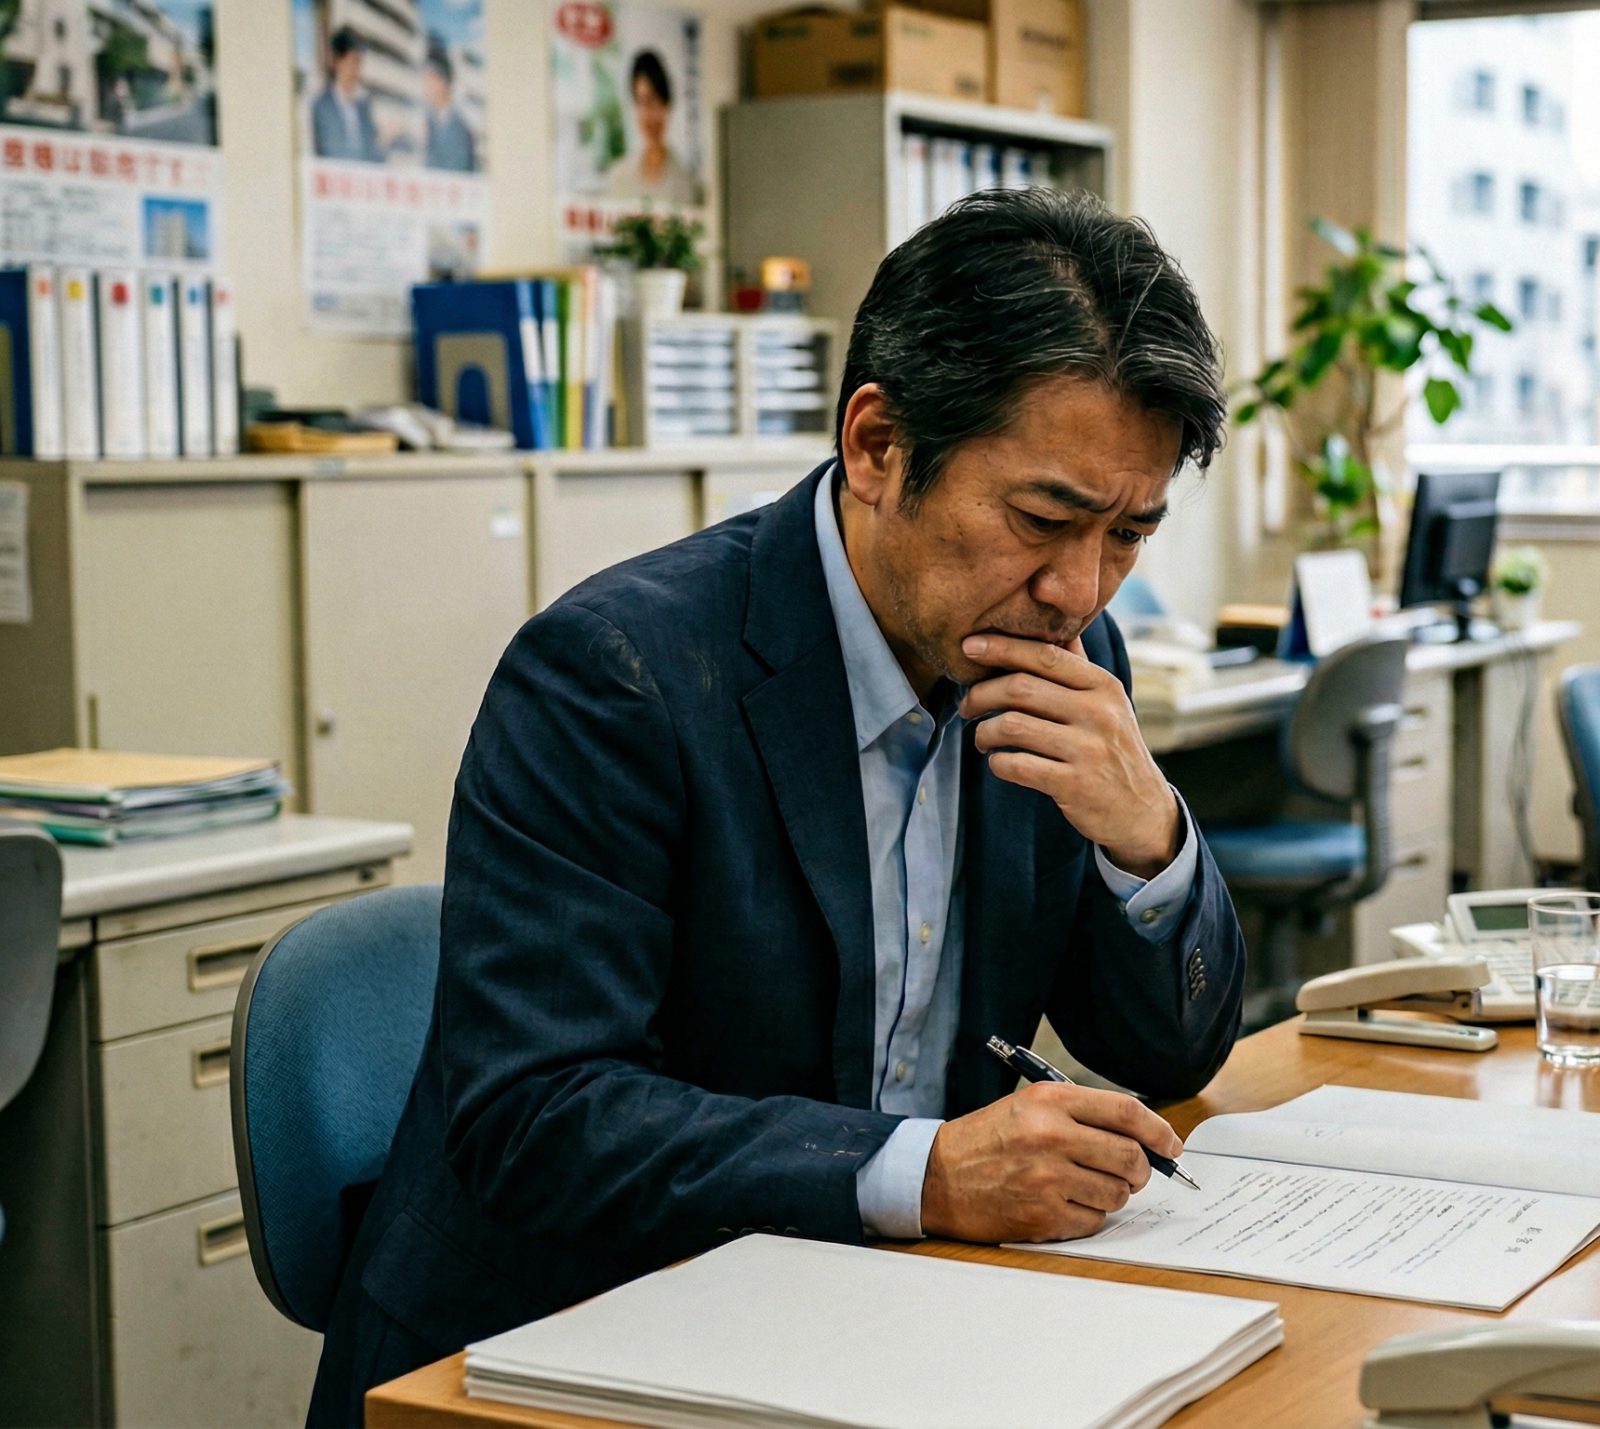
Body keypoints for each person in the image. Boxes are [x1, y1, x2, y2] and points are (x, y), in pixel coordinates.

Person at [305, 188, 1247, 1426]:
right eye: (1042, 518)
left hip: (865, 1320)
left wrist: (1150, 840)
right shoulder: (617, 673)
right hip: (564, 1348)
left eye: (1129, 533)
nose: (1078, 586)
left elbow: (1171, 1054)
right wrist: (927, 1170)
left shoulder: (1068, 656)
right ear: (875, 446)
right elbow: (538, 1114)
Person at [605, 49, 698, 204]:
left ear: (667, 106)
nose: (649, 115)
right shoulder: (619, 177)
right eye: (643, 102)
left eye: (657, 101)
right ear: (634, 106)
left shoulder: (687, 182)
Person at [309, 27, 381, 163]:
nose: (357, 68)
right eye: (353, 60)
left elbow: (373, 156)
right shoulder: (321, 105)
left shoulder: (364, 107)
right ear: (337, 60)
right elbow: (329, 153)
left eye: (360, 61)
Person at [419, 44, 476, 173]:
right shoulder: (430, 119)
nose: (426, 86)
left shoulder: (459, 128)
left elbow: (456, 173)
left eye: (430, 79)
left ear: (444, 82)